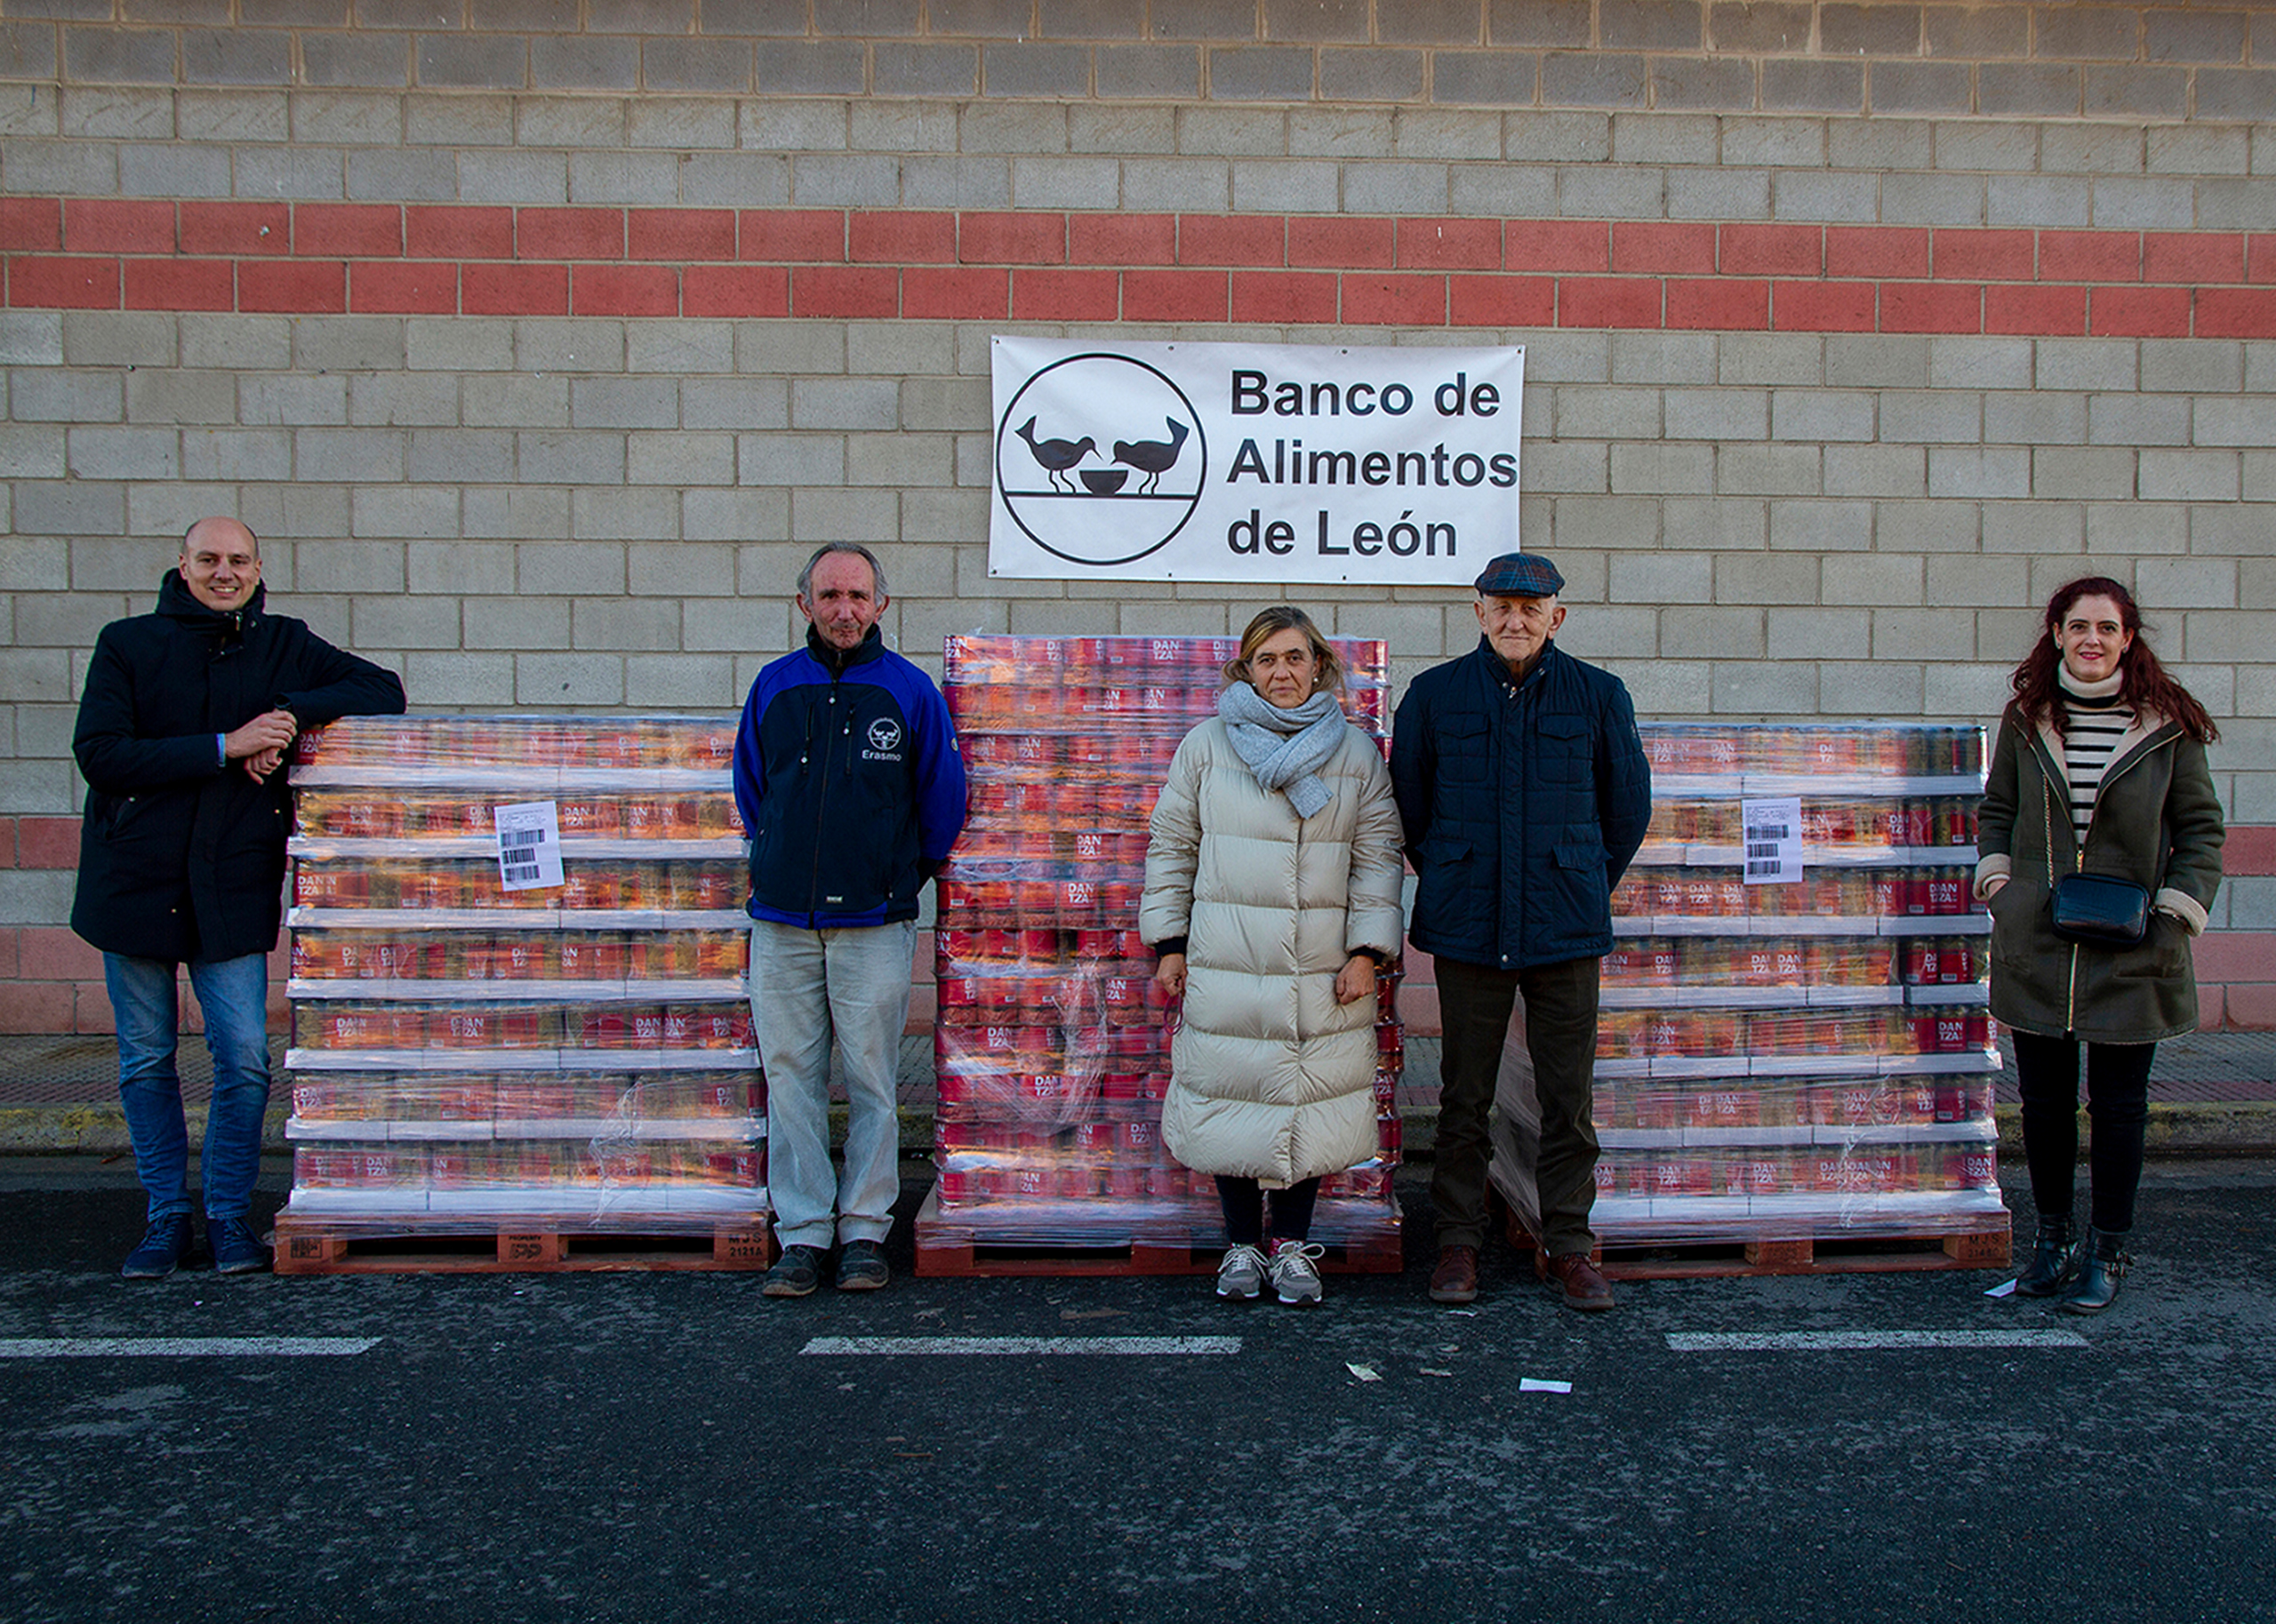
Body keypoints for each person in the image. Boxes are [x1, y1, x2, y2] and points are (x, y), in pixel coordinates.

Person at [72, 517, 406, 1279]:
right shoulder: (128, 643)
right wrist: (229, 744)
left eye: (239, 560)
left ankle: (227, 1215)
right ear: (182, 565)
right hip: (135, 883)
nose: (225, 572)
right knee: (148, 1059)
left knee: (245, 1059)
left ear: (258, 568)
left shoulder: (282, 641)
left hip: (228, 883)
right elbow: (101, 752)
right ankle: (165, 1218)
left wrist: (284, 717)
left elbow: (383, 690)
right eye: (210, 559)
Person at [1391, 553, 1651, 1312]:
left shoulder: (1599, 695)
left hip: (1564, 926)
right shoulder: (1434, 696)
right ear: (1478, 612)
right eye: (1501, 606)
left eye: (1531, 609)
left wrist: (1576, 881)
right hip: (1470, 921)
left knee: (1566, 1096)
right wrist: (1456, 871)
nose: (1515, 620)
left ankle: (1570, 1245)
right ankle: (1458, 1247)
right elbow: (1413, 809)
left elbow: (1626, 807)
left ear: (1556, 618)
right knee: (1463, 1095)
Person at [1141, 607, 1405, 1307]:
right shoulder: (1206, 747)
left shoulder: (1353, 753)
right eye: (1266, 659)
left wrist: (1367, 952)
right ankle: (1239, 1246)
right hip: (1228, 956)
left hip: (1322, 963)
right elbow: (1173, 848)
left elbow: (1377, 858)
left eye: (1294, 657)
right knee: (1234, 1096)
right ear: (1245, 669)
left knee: (1303, 1101)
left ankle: (1290, 1246)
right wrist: (1169, 943)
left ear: (1318, 664)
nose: (1281, 672)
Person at [1975, 577, 2223, 1315]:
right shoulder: (2027, 719)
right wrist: (2000, 886)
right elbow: (1999, 809)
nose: (2092, 639)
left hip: (2132, 947)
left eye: (2107, 628)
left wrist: (2175, 914)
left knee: (2119, 1106)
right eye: (2078, 625)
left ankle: (2108, 1250)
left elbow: (2202, 830)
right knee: (2045, 1105)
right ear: (2055, 633)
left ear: (2127, 638)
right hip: (2041, 943)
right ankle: (2051, 1247)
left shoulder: (2167, 725)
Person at [734, 542, 967, 1297]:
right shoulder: (774, 687)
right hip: (782, 923)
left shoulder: (910, 692)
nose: (844, 610)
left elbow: (942, 801)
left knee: (870, 1079)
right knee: (793, 1077)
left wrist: (898, 875)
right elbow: (751, 792)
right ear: (804, 603)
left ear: (881, 606)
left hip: (874, 921)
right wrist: (778, 858)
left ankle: (865, 1230)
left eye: (858, 596)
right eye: (829, 595)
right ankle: (801, 1235)